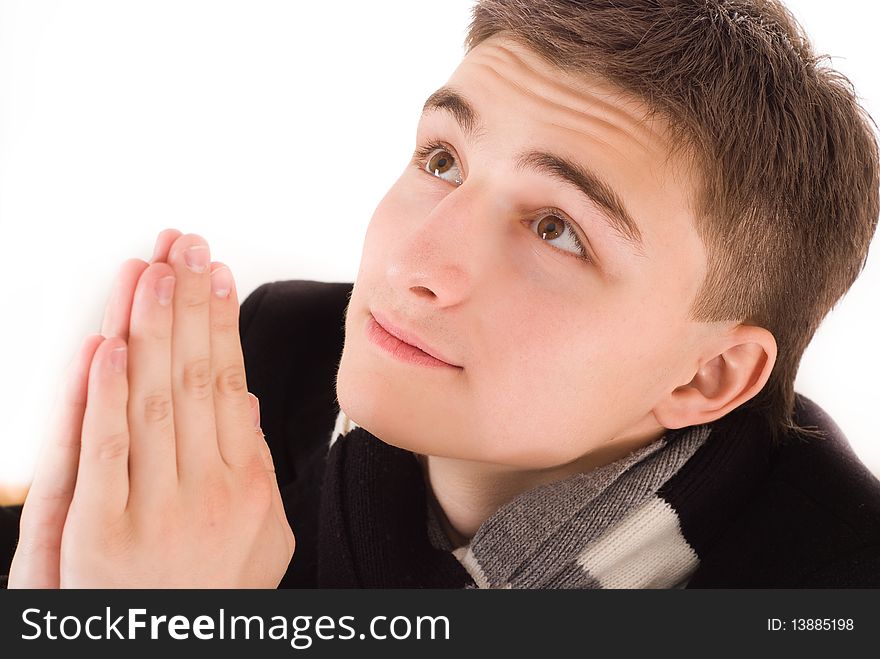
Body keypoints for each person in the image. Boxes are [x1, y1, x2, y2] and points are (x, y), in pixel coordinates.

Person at [2, 0, 880, 588]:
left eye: (558, 229)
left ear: (710, 373)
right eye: (443, 160)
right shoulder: (262, 369)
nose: (416, 259)